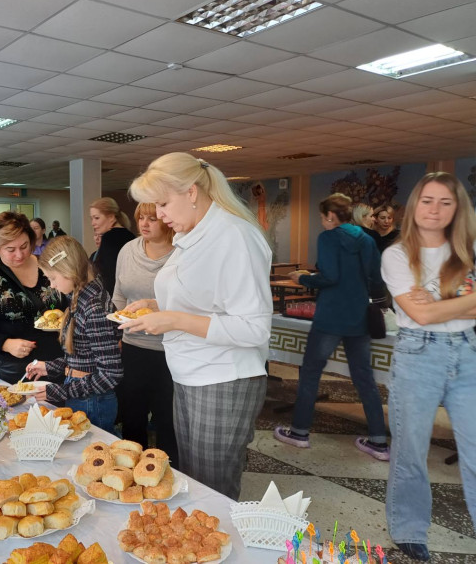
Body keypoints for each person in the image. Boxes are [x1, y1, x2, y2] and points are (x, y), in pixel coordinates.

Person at [119, 152, 272, 500]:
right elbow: (204, 300)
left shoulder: (234, 236)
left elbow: (253, 328)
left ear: (191, 192)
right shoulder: (193, 234)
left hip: (222, 377)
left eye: (162, 203)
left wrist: (172, 319)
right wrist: (155, 306)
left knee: (212, 487)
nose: (158, 215)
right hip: (189, 373)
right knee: (192, 478)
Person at [381, 172, 476, 562]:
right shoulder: (397, 255)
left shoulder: (469, 251)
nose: (435, 210)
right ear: (415, 206)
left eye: (445, 203)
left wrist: (433, 305)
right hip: (418, 356)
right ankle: (408, 528)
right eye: (427, 201)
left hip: (469, 354)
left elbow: (426, 308)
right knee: (410, 448)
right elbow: (418, 316)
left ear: (458, 210)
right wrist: (462, 301)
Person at [274, 193, 389, 460]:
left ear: (329, 216)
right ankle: (379, 442)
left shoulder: (328, 237)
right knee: (364, 378)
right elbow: (375, 277)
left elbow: (330, 277)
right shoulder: (366, 238)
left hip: (330, 316)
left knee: (311, 373)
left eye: (322, 217)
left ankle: (300, 433)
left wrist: (304, 278)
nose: (322, 222)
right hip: (359, 314)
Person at [25, 236, 123, 432]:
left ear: (68, 271)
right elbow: (84, 357)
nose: (51, 285)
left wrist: (60, 391)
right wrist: (51, 367)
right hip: (84, 395)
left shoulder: (94, 308)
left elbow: (110, 374)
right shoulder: (80, 298)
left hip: (93, 401)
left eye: (52, 278)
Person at [0, 212, 65, 383]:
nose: (19, 255)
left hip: (56, 362)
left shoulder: (46, 266)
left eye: (24, 246)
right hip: (16, 369)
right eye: (11, 249)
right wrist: (5, 343)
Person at [112, 203, 178, 463]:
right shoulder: (128, 250)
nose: (145, 224)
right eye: (141, 218)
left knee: (167, 418)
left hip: (169, 349)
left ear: (167, 220)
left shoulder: (180, 254)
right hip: (133, 346)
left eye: (153, 218)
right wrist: (115, 328)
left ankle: (166, 470)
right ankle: (130, 470)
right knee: (132, 414)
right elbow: (119, 293)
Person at [90, 197, 134, 295]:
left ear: (111, 217)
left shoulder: (109, 238)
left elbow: (109, 277)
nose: (93, 223)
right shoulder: (130, 236)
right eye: (92, 218)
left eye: (96, 218)